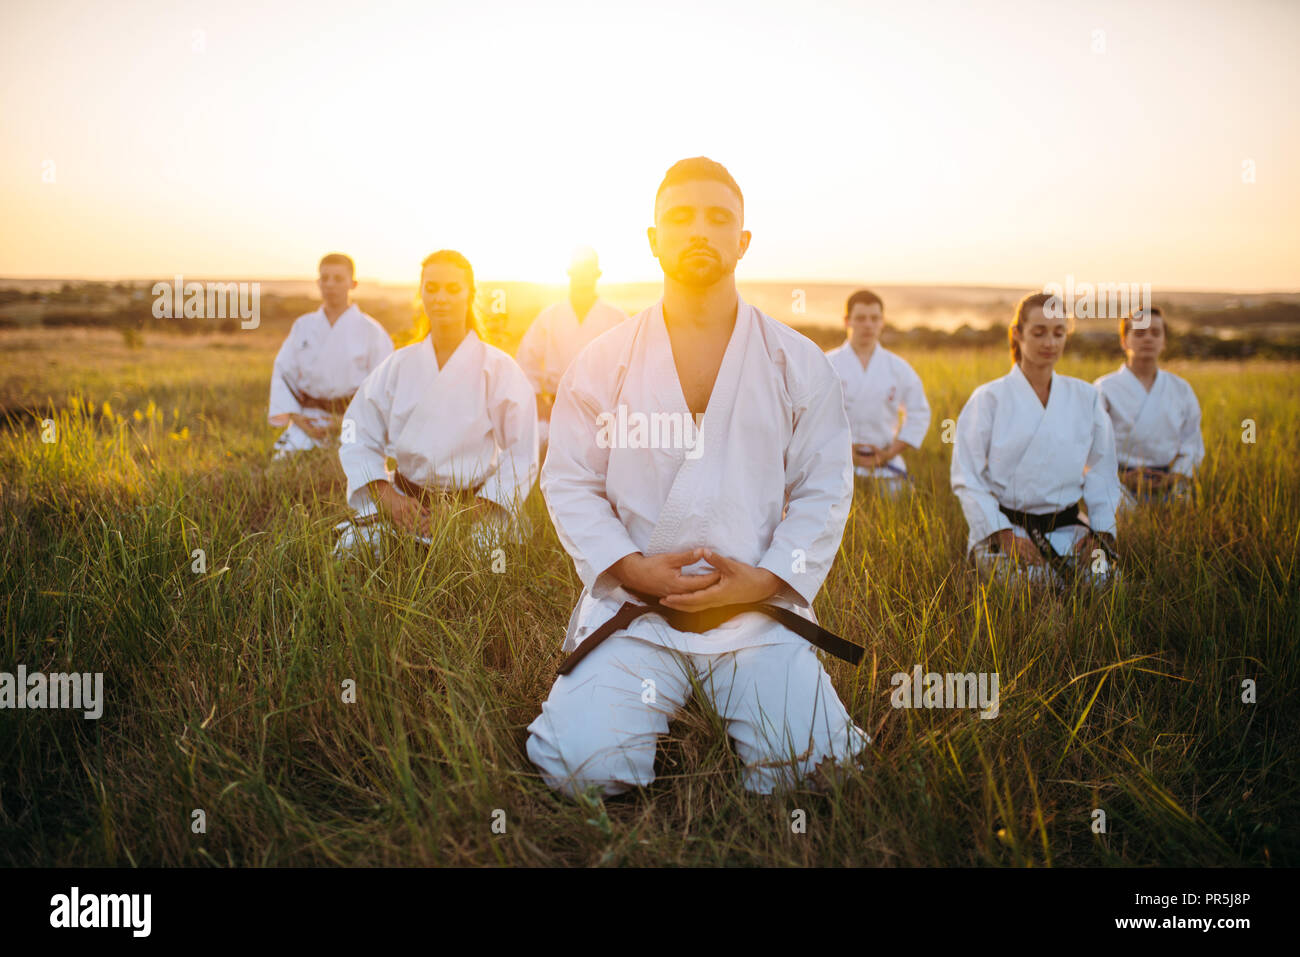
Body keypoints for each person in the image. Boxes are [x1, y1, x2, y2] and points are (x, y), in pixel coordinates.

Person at [526, 157, 868, 798]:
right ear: (653, 239)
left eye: (719, 218)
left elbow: (824, 488)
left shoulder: (797, 362)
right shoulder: (602, 363)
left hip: (753, 609)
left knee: (818, 773)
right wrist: (628, 567)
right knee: (580, 772)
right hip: (636, 609)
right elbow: (570, 480)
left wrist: (765, 577)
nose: (699, 232)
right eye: (679, 218)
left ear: (743, 240)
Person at [334, 250, 538, 558]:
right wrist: (387, 496)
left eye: (453, 288)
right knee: (352, 549)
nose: (441, 297)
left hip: (472, 507)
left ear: (470, 293)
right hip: (406, 500)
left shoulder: (499, 368)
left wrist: (469, 510)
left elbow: (522, 453)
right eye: (432, 288)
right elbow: (356, 431)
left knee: (474, 560)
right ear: (421, 293)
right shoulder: (398, 365)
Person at [950, 291, 1123, 588]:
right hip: (1007, 529)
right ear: (1017, 334)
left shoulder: (1085, 397)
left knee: (1105, 582)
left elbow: (1102, 470)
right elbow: (967, 477)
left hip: (1069, 527)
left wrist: (1099, 533)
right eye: (1039, 332)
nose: (1050, 343)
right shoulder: (989, 399)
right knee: (1031, 589)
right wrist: (1002, 534)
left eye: (1059, 333)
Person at [268, 253, 394, 459]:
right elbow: (283, 372)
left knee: (353, 463)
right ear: (318, 283)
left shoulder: (371, 330)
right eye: (324, 278)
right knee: (283, 461)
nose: (330, 285)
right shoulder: (303, 325)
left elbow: (384, 384)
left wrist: (346, 421)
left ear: (353, 284)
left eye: (338, 278)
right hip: (309, 418)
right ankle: (301, 435)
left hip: (354, 419)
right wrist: (296, 417)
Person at [515, 246, 627, 453]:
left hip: (604, 410)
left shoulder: (616, 318)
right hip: (556, 409)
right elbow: (525, 361)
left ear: (598, 273)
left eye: (588, 269)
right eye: (578, 269)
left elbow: (631, 368)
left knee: (615, 449)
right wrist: (540, 401)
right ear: (569, 272)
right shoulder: (550, 316)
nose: (583, 275)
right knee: (531, 442)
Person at [1093, 306, 1204, 507]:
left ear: (1164, 341)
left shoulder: (1181, 389)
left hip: (1168, 478)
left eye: (1155, 333)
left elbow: (1192, 443)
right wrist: (1119, 476)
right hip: (1118, 479)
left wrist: (1176, 475)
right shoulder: (1104, 388)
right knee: (1120, 513)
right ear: (1124, 340)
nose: (1148, 339)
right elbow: (1090, 443)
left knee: (1183, 509)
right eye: (1140, 333)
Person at [826, 289, 931, 496]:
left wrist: (889, 452)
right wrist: (843, 451)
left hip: (885, 462)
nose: (868, 324)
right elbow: (812, 416)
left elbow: (919, 412)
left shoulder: (898, 368)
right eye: (861, 318)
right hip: (836, 462)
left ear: (882, 322)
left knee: (897, 509)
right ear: (847, 321)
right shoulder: (827, 364)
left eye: (874, 318)